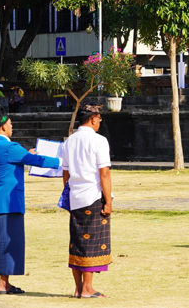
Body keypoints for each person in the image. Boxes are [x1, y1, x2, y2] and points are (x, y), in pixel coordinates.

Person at [0, 111, 61, 295]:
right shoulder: (10, 147)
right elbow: (37, 160)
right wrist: (63, 161)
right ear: (3, 127)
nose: (12, 126)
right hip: (8, 201)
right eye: (10, 124)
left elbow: (16, 158)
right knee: (8, 241)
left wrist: (25, 154)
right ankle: (4, 284)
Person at [63, 103, 113, 299]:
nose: (99, 122)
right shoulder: (99, 141)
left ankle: (78, 287)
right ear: (93, 119)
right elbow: (105, 173)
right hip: (93, 196)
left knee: (76, 242)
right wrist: (108, 202)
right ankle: (87, 288)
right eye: (99, 119)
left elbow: (65, 172)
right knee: (92, 242)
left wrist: (70, 191)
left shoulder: (69, 141)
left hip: (76, 196)